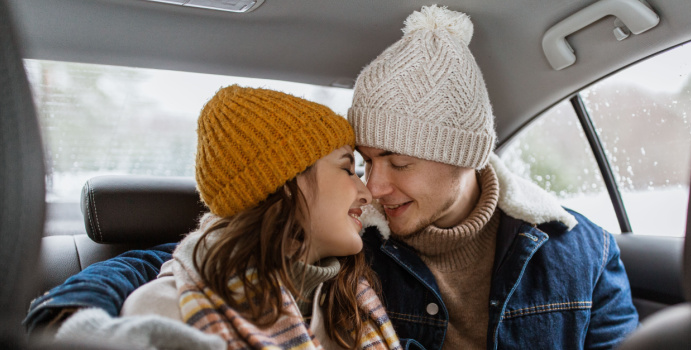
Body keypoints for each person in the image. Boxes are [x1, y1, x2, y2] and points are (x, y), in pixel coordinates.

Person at [26, 5, 639, 349]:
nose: (376, 186)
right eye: (364, 162)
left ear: (466, 155)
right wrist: (73, 320)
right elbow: (204, 258)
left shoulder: (579, 252)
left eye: (399, 162)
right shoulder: (350, 239)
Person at [40, 85, 410, 350]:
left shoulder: (350, 299)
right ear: (282, 183)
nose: (367, 192)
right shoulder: (166, 314)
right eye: (349, 169)